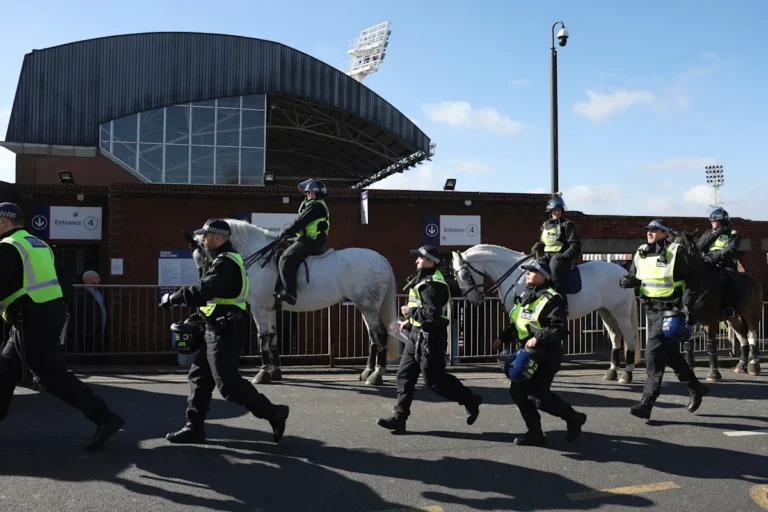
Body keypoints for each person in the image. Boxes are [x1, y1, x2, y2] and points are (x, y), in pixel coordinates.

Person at [0, 202, 124, 450]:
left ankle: (105, 417)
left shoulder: (8, 247)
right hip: (41, 315)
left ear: (3, 222)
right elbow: (64, 282)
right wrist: (63, 312)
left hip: (31, 318)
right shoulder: (38, 244)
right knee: (5, 371)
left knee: (51, 377)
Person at [161, 218, 290, 443]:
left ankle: (274, 413)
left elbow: (204, 290)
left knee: (227, 383)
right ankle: (194, 427)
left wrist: (173, 298)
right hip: (214, 324)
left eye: (206, 235)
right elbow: (212, 298)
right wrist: (197, 318)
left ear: (219, 238)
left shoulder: (227, 263)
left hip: (226, 328)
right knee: (199, 377)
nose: (202, 239)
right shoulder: (219, 260)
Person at [377, 245, 483, 433]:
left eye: (420, 258)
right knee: (404, 375)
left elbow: (431, 314)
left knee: (434, 381)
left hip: (431, 338)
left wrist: (411, 312)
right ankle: (399, 418)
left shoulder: (434, 284)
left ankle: (470, 399)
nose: (416, 261)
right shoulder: (424, 280)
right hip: (416, 336)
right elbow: (423, 312)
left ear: (431, 262)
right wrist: (409, 321)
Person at [619, 219, 709, 419]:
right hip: (651, 310)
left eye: (655, 230)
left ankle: (647, 402)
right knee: (669, 355)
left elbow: (694, 281)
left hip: (671, 310)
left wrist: (686, 306)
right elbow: (635, 276)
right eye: (649, 230)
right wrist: (627, 280)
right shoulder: (641, 251)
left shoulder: (677, 251)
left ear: (665, 233)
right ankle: (696, 387)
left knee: (652, 354)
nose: (650, 233)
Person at [492, 259, 586, 446]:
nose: (527, 273)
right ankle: (535, 433)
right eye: (526, 271)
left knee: (538, 398)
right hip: (526, 353)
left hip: (547, 354)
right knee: (518, 392)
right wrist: (503, 337)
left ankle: (574, 418)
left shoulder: (552, 298)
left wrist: (540, 337)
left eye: (531, 271)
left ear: (543, 276)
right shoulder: (526, 295)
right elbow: (518, 323)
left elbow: (559, 328)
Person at [274, 179, 330, 306]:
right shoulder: (316, 205)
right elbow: (304, 226)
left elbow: (299, 222)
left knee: (285, 259)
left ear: (315, 193)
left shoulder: (316, 206)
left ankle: (290, 293)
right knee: (282, 251)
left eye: (309, 193)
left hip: (311, 241)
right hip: (309, 239)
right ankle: (280, 287)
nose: (307, 195)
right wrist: (289, 235)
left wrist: (284, 232)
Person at [530, 193, 581, 303]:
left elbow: (576, 245)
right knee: (534, 268)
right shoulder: (545, 225)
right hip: (547, 256)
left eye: (559, 210)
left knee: (554, 268)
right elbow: (545, 242)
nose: (556, 213)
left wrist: (563, 256)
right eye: (554, 210)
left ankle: (560, 303)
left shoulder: (567, 225)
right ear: (550, 211)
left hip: (561, 258)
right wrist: (538, 246)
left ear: (562, 212)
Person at [696, 207, 740, 272]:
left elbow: (730, 250)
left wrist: (712, 257)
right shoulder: (709, 233)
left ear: (721, 221)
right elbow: (699, 246)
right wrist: (715, 234)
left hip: (725, 265)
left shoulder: (732, 234)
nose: (711, 222)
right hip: (707, 263)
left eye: (714, 221)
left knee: (730, 279)